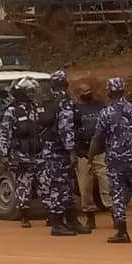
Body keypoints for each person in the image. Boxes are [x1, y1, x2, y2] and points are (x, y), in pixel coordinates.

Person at [89, 77, 132, 243]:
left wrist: (91, 156)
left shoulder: (106, 112)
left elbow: (98, 138)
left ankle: (122, 231)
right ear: (123, 90)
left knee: (117, 194)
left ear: (110, 91)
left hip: (114, 158)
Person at [38, 70, 89, 236]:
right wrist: (72, 151)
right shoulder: (64, 102)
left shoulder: (49, 101)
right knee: (60, 187)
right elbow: (66, 128)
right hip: (59, 152)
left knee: (65, 186)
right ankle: (57, 224)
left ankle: (71, 221)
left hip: (50, 149)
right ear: (65, 84)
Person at [0, 77, 43, 228]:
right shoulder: (12, 111)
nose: (31, 94)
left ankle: (52, 214)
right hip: (22, 156)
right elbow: (4, 133)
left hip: (40, 155)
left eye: (32, 91)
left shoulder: (37, 108)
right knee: (24, 186)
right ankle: (24, 216)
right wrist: (3, 154)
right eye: (28, 91)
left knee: (46, 184)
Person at [74, 82, 108, 230]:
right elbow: (71, 131)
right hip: (83, 153)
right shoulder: (75, 109)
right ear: (78, 93)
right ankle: (90, 217)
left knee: (106, 183)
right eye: (84, 91)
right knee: (85, 187)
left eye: (89, 90)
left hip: (101, 151)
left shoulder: (100, 106)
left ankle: (115, 214)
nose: (88, 92)